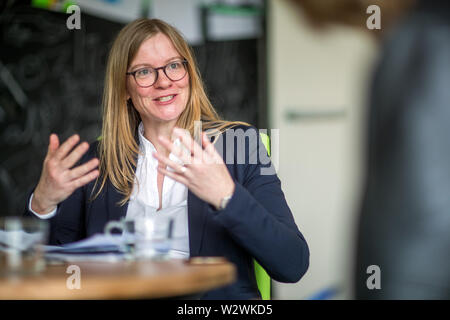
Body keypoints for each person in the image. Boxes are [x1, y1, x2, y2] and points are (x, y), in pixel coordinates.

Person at [24, 18, 309, 300]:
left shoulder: (239, 146)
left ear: (189, 74)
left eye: (174, 66)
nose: (164, 82)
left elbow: (292, 264)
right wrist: (43, 203)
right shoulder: (95, 162)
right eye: (145, 71)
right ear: (124, 88)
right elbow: (45, 270)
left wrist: (227, 196)